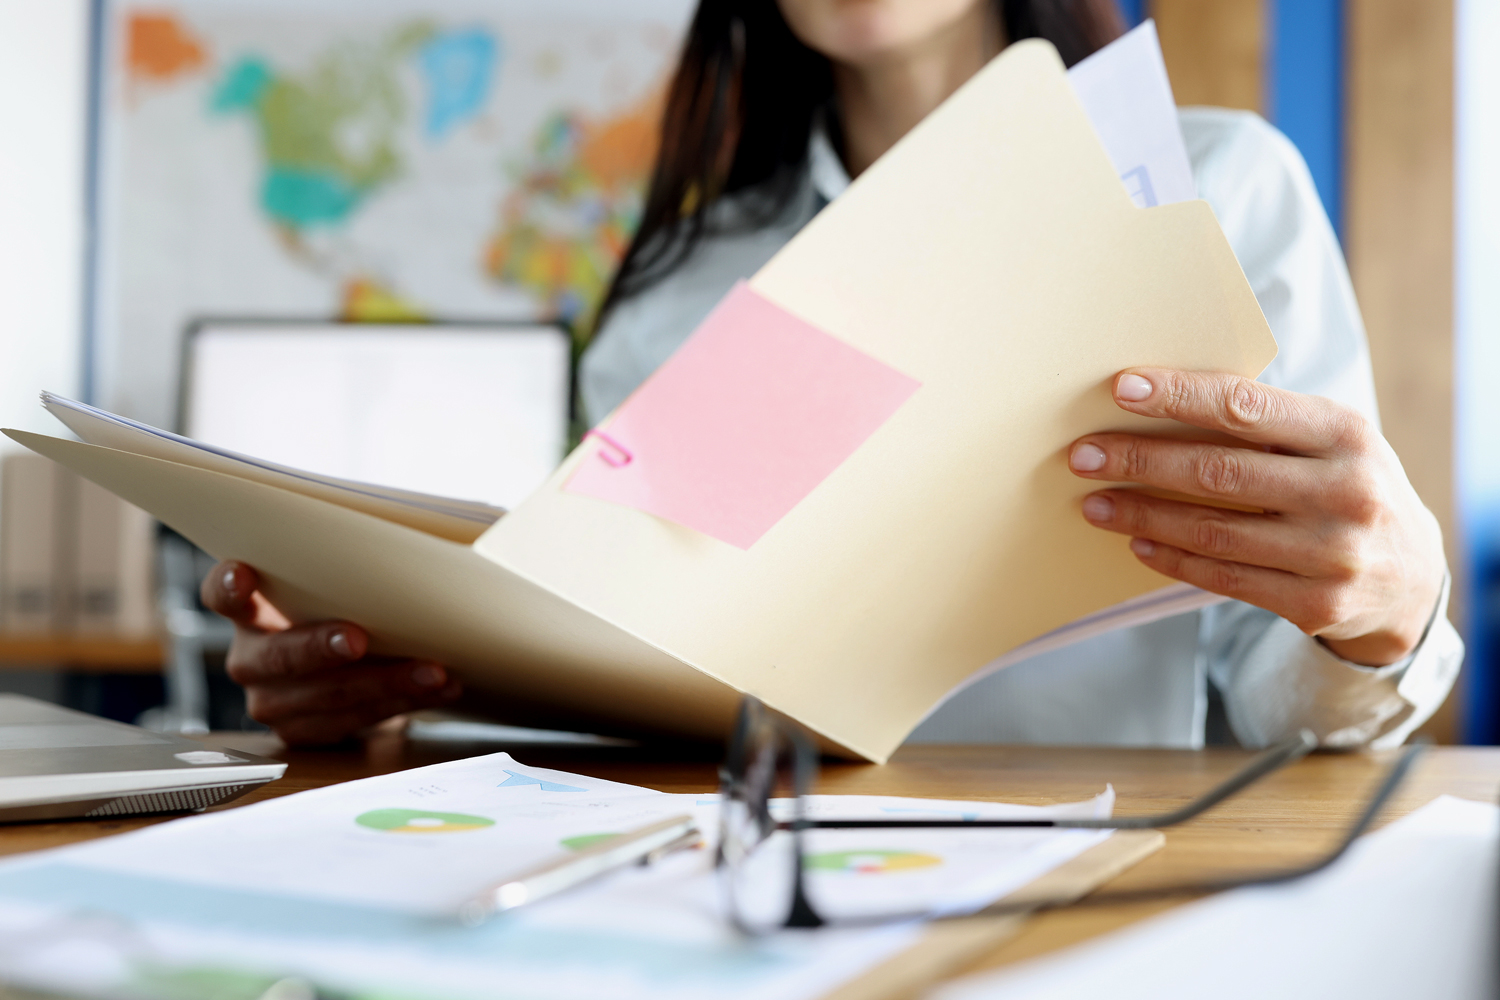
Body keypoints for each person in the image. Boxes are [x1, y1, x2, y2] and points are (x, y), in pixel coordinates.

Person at [202, 0, 1462, 749]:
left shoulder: (1219, 189)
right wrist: (396, 699)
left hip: (1112, 895)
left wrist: (1380, 621)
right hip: (748, 896)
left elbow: (1286, 701)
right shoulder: (674, 291)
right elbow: (620, 680)